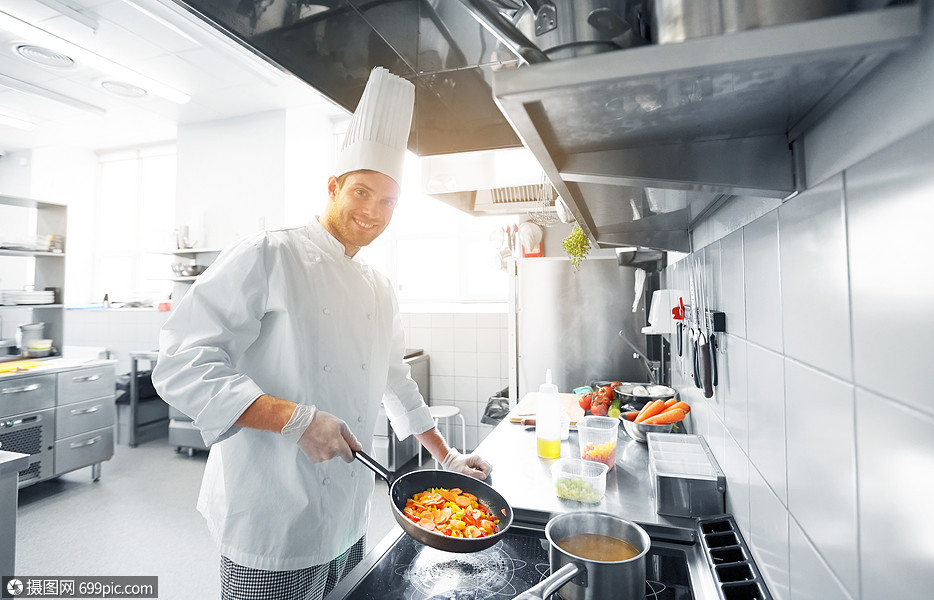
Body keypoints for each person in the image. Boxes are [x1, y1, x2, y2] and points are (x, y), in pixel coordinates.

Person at [152, 67, 492, 600]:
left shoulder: (379, 285)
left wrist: (445, 456)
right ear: (333, 186)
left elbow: (393, 379)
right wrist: (294, 418)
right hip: (271, 513)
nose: (371, 213)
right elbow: (180, 363)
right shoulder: (269, 254)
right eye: (361, 192)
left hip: (351, 515)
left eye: (388, 202)